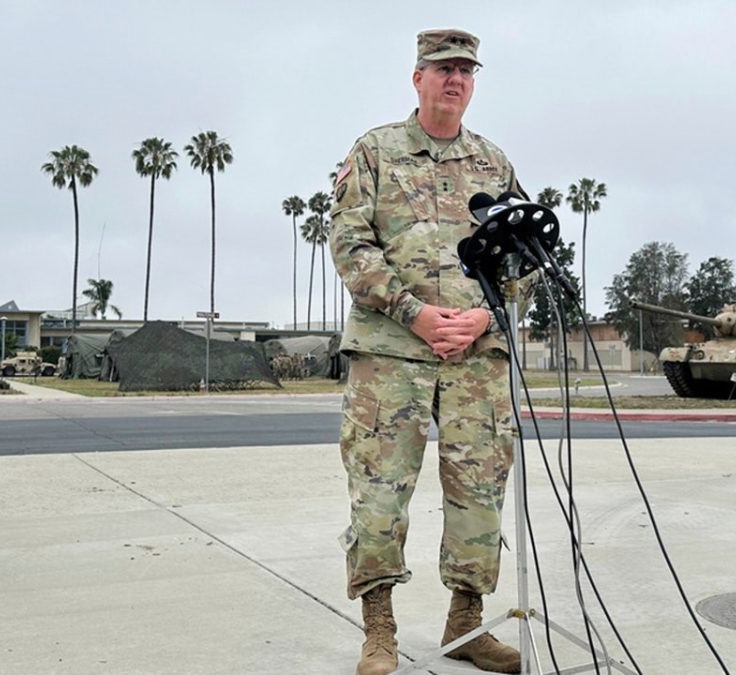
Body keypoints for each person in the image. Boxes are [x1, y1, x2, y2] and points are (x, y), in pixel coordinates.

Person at [329, 28, 526, 675]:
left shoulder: (494, 165)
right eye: (443, 68)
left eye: (466, 69)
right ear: (417, 77)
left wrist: (483, 314)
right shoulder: (377, 152)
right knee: (379, 496)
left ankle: (466, 625)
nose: (455, 79)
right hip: (390, 356)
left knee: (480, 492)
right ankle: (379, 630)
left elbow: (524, 256)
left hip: (474, 359)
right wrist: (414, 314)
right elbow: (351, 245)